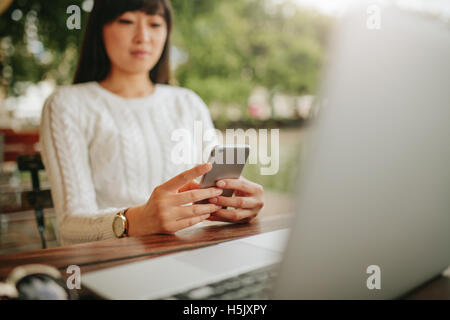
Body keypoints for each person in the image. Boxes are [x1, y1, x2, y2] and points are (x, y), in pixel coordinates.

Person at [39, 0, 264, 245]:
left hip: (192, 249)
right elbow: (70, 226)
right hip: (113, 262)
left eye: (155, 24)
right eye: (126, 21)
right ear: (99, 29)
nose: (143, 36)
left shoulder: (188, 102)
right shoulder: (66, 105)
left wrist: (237, 204)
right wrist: (135, 221)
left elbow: (211, 188)